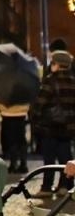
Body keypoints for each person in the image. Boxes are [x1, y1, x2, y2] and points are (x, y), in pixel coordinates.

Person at [31, 50, 75, 194]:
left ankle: (46, 187)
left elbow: (40, 103)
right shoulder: (73, 80)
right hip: (68, 127)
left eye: (53, 62)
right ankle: (65, 186)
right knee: (65, 157)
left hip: (50, 126)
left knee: (49, 158)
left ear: (57, 64)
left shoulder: (50, 80)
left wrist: (35, 116)